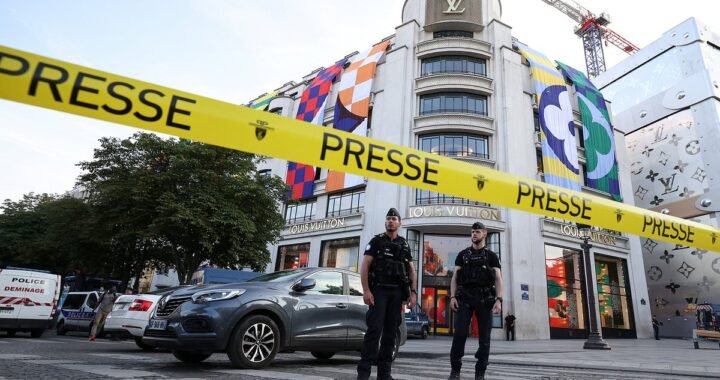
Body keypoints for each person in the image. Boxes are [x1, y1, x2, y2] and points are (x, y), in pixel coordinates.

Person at [357, 208, 417, 380]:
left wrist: (413, 293)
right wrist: (367, 290)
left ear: (399, 223)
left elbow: (411, 270)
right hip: (379, 291)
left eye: (394, 218)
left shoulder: (404, 244)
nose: (391, 221)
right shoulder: (377, 241)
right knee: (374, 331)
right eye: (389, 218)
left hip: (397, 293)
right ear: (386, 222)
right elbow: (365, 266)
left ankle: (384, 374)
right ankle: (363, 374)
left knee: (391, 334)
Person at [448, 222, 503, 380]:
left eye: (477, 232)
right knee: (460, 334)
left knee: (484, 338)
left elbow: (498, 279)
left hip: (485, 299)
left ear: (484, 234)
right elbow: (454, 278)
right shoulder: (463, 255)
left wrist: (498, 299)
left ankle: (480, 373)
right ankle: (455, 371)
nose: (474, 234)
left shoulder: (491, 256)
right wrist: (452, 297)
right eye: (472, 232)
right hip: (464, 298)